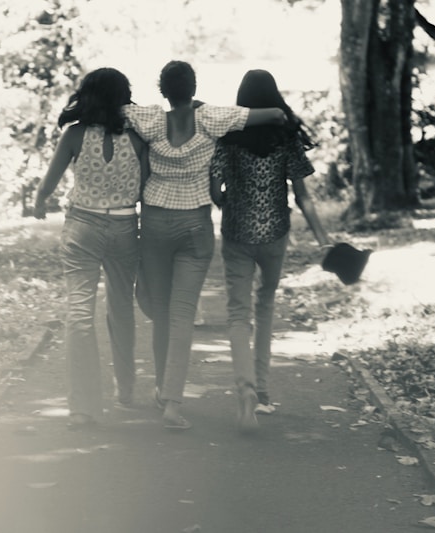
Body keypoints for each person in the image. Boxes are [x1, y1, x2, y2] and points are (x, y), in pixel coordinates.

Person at [122, 60, 286, 430]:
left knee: (161, 312)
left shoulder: (150, 118)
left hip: (155, 221)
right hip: (194, 224)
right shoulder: (211, 117)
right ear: (193, 88)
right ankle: (172, 405)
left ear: (163, 90)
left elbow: (117, 110)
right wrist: (204, 108)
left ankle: (161, 388)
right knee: (182, 314)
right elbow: (274, 115)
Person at [209, 69, 331, 434]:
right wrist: (323, 239)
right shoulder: (285, 136)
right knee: (265, 306)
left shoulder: (229, 136)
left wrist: (228, 201)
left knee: (237, 313)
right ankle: (262, 390)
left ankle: (245, 388)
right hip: (275, 233)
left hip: (237, 233)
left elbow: (215, 189)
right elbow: (303, 196)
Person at [33, 67, 149, 428]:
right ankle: (125, 389)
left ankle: (83, 408)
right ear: (123, 97)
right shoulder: (138, 138)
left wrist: (39, 203)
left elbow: (48, 183)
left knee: (80, 315)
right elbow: (146, 188)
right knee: (121, 309)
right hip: (124, 227)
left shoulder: (75, 134)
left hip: (83, 226)